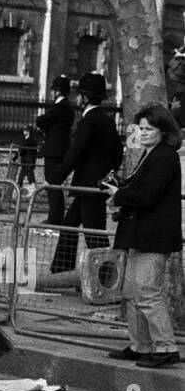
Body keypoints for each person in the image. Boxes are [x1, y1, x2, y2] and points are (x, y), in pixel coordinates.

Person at [102, 104, 182, 369]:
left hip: (153, 236)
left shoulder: (166, 156)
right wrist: (120, 189)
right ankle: (141, 346)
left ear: (163, 131)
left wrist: (119, 195)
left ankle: (166, 347)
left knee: (147, 291)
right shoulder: (150, 154)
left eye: (150, 129)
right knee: (132, 291)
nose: (144, 133)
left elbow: (149, 195)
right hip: (139, 234)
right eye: (141, 128)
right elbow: (141, 191)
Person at [49, 72, 122, 274]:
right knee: (69, 225)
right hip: (94, 183)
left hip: (88, 184)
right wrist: (108, 172)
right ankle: (62, 271)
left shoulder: (88, 121)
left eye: (79, 94)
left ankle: (106, 276)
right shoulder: (108, 120)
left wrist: (55, 178)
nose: (76, 98)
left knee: (94, 234)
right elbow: (117, 153)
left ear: (86, 97)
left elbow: (74, 154)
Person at [37, 74, 75, 225]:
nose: (51, 93)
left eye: (53, 90)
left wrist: (44, 126)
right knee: (55, 182)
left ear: (58, 91)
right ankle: (56, 215)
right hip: (60, 149)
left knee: (52, 182)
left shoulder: (60, 107)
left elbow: (41, 120)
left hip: (54, 150)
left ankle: (55, 217)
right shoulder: (67, 108)